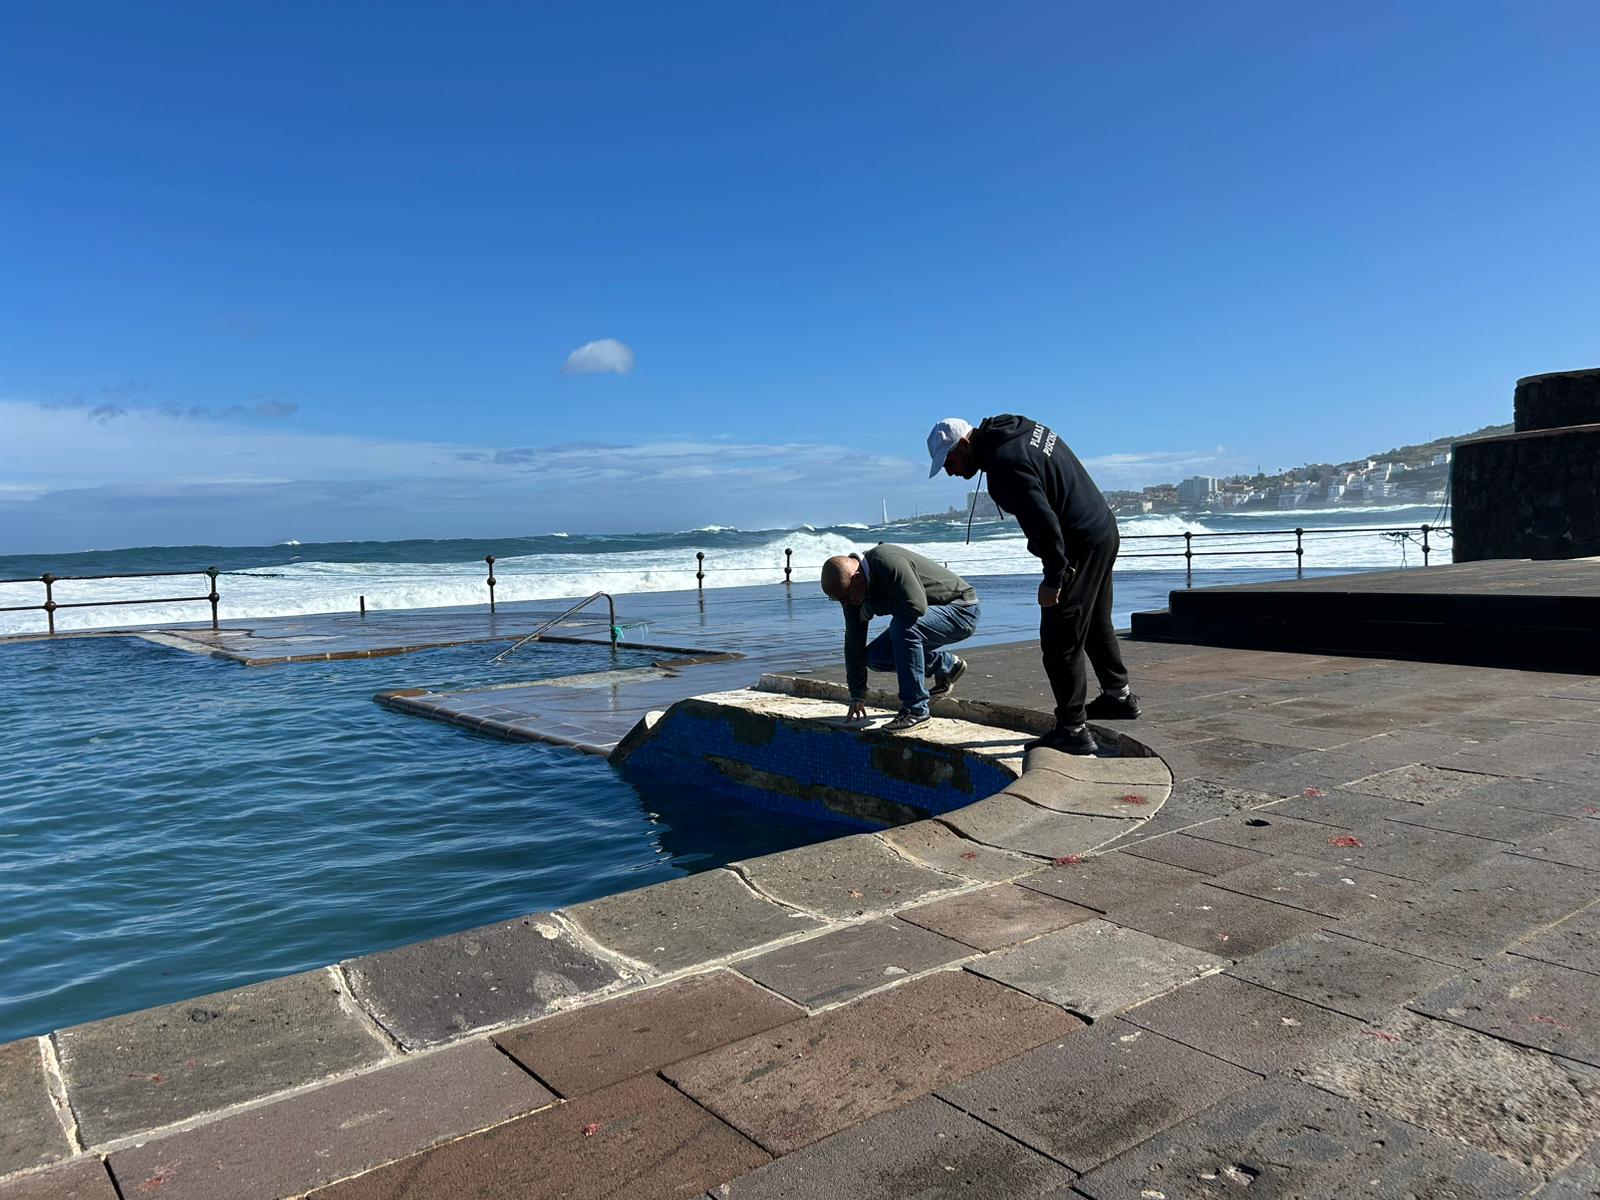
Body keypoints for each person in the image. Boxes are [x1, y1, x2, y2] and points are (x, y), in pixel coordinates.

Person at [927, 414, 1139, 755]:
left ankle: (1072, 729)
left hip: (1078, 545)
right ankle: (1118, 696)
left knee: (1059, 638)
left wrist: (1054, 576)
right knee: (1095, 620)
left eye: (949, 461)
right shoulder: (1016, 427)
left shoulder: (1004, 465)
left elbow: (1044, 521)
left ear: (965, 445)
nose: (950, 471)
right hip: (1101, 528)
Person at [820, 544, 980, 732]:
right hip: (930, 618)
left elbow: (916, 606)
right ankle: (946, 666)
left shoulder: (886, 560)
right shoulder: (852, 591)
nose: (846, 604)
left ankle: (916, 710)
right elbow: (854, 641)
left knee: (902, 627)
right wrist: (856, 694)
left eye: (846, 599)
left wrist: (873, 607)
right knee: (875, 657)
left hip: (962, 610)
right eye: (839, 601)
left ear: (856, 578)